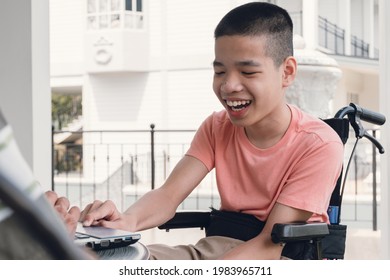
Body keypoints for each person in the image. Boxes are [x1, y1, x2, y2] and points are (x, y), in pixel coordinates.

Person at [67, 2, 343, 260]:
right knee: (121, 259)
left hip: (278, 256)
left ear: (287, 72)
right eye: (220, 72)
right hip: (217, 248)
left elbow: (268, 247)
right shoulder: (217, 127)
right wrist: (125, 221)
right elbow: (168, 195)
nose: (229, 86)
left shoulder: (319, 144)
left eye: (247, 73)